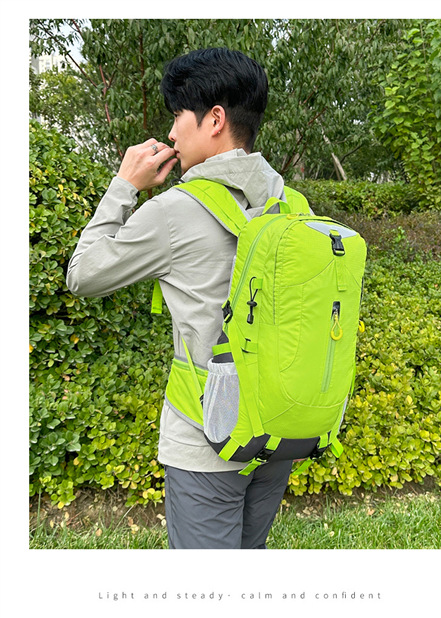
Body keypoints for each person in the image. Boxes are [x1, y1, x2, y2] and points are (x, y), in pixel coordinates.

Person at [67, 47, 292, 549]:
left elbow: (82, 274)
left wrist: (124, 185)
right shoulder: (288, 203)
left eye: (177, 116)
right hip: (278, 432)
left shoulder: (175, 211)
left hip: (207, 443)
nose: (171, 133)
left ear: (215, 119)